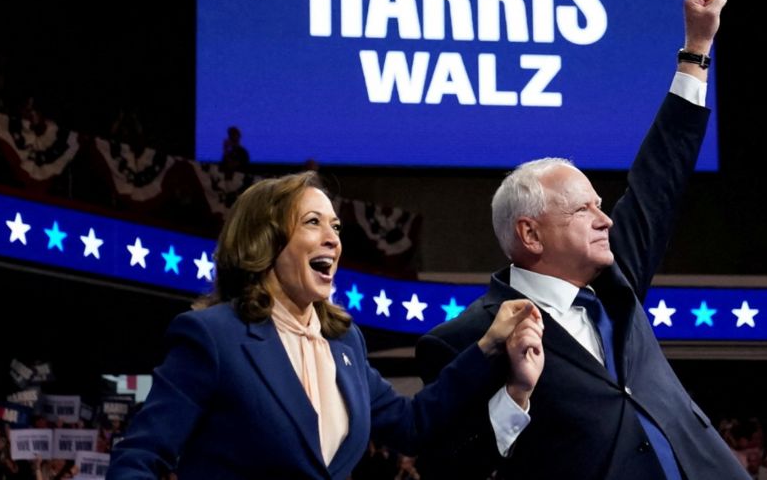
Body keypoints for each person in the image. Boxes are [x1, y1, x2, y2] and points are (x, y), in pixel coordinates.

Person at [415, 0, 748, 480]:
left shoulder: (616, 283)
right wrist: (514, 398)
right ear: (530, 234)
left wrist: (695, 51)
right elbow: (452, 466)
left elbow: (660, 179)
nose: (605, 219)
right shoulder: (464, 341)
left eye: (600, 206)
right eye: (583, 210)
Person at [107, 171, 545, 480]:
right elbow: (139, 456)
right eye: (312, 223)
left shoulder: (344, 342)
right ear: (265, 240)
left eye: (335, 226)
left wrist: (487, 347)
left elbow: (412, 425)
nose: (333, 239)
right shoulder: (213, 336)